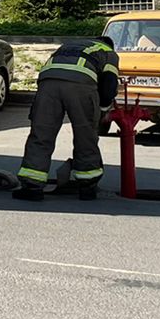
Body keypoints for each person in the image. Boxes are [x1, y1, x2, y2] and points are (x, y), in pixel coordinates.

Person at [14, 36, 120, 203]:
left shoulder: (71, 45)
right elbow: (109, 84)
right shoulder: (108, 52)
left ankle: (31, 186)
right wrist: (103, 108)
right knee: (85, 135)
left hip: (48, 82)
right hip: (81, 84)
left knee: (41, 133)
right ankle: (87, 187)